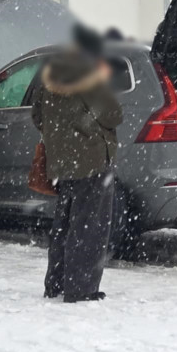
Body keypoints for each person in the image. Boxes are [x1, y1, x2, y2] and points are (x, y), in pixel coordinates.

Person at [32, 25, 123, 303]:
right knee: (91, 227)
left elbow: (37, 117)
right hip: (92, 161)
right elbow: (113, 115)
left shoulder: (48, 79)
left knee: (64, 225)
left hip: (62, 165)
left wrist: (61, 136)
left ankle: (56, 283)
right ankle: (80, 288)